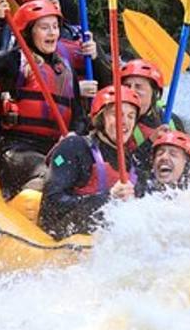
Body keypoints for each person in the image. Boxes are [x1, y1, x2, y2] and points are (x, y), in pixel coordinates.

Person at [0, 0, 91, 197]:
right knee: (51, 173)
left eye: (55, 27)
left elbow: (79, 118)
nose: (53, 33)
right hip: (16, 151)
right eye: (44, 27)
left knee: (77, 174)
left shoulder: (66, 71)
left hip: (54, 152)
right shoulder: (14, 61)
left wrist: (72, 136)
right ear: (28, 32)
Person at [38, 85, 141, 239]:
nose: (125, 122)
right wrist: (107, 198)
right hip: (69, 239)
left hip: (112, 246)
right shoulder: (75, 147)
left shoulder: (132, 163)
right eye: (116, 114)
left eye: (131, 116)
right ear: (100, 118)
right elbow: (51, 205)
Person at [119, 59, 186, 171]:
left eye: (138, 86)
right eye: (127, 86)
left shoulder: (172, 120)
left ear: (155, 93)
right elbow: (121, 168)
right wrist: (150, 142)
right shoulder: (115, 123)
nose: (131, 91)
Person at [138, 129, 190, 194]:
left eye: (173, 154)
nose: (164, 157)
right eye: (159, 154)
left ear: (188, 166)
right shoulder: (141, 192)